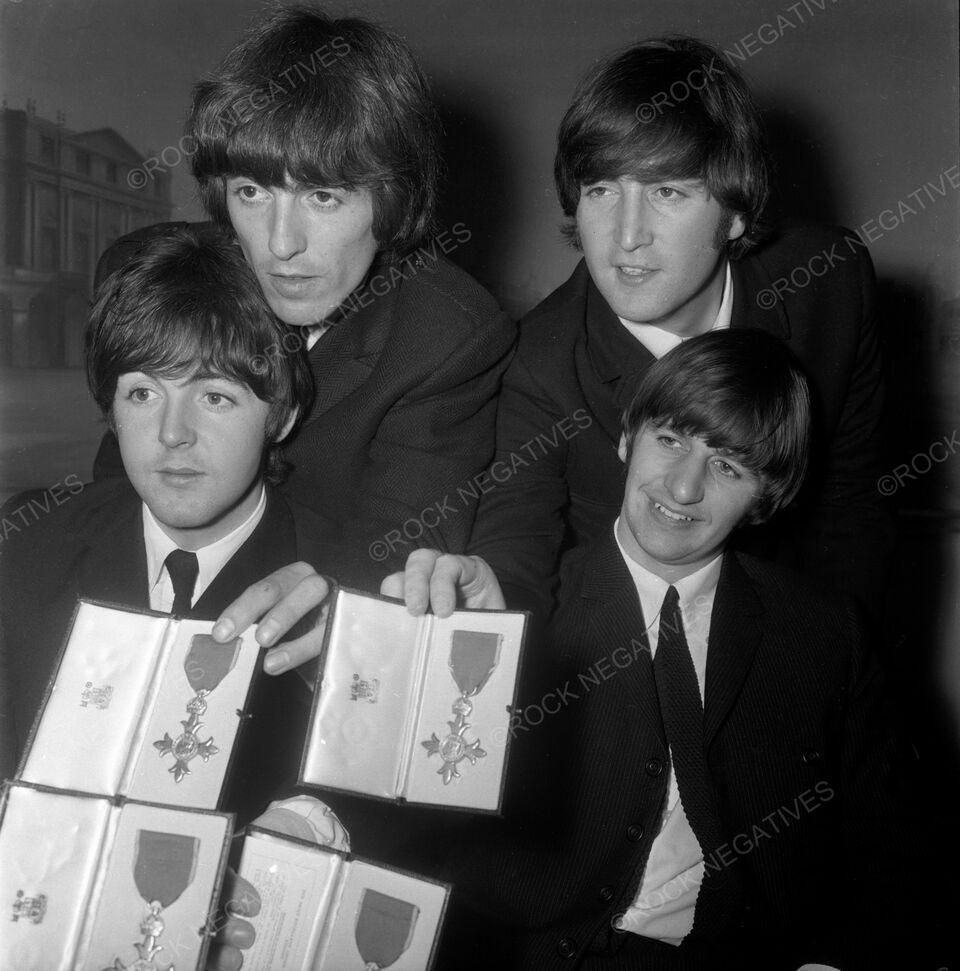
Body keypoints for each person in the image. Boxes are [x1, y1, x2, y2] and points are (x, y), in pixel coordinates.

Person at [430, 330, 923, 970]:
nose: (684, 488)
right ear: (627, 438)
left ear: (766, 498)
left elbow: (894, 848)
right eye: (670, 441)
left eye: (727, 466)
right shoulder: (521, 603)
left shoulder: (825, 634)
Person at [395, 36, 889, 627]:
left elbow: (853, 507)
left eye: (666, 192)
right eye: (601, 190)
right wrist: (492, 598)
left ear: (736, 213)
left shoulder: (830, 280)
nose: (627, 236)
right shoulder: (538, 361)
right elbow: (520, 550)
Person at [93, 6, 516, 675]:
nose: (281, 244)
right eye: (253, 192)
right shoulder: (158, 278)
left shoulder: (449, 335)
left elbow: (393, 552)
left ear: (394, 201)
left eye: (324, 197)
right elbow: (112, 503)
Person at [0, 225, 334, 822]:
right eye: (142, 395)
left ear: (280, 416)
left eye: (214, 397)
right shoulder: (23, 546)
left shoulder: (341, 586)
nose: (172, 434)